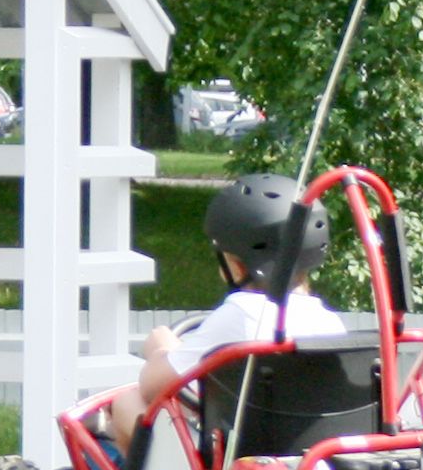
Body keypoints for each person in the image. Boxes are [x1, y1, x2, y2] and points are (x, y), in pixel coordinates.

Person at [104, 172, 347, 452]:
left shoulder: (239, 314)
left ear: (235, 264)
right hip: (308, 454)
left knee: (127, 403)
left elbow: (152, 387)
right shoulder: (331, 324)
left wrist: (162, 350)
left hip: (235, 458)